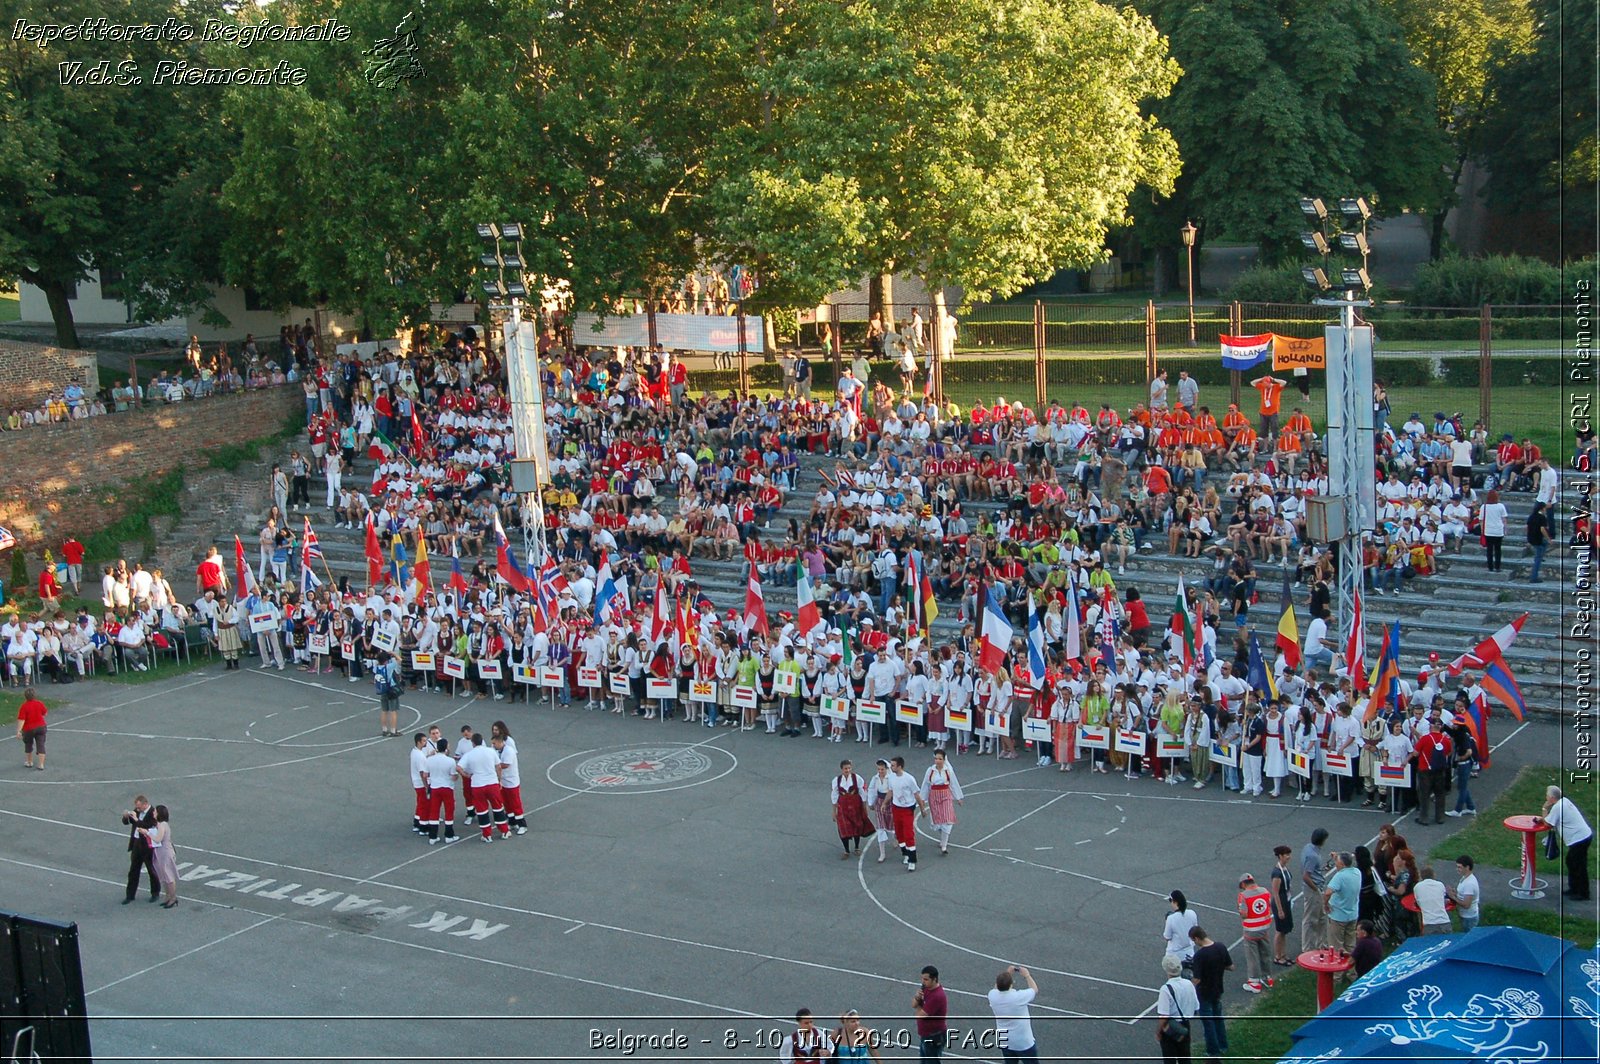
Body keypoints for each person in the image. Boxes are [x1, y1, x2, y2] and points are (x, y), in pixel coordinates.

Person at [1536, 785, 1593, 901]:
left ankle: (1583, 893)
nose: (1546, 797)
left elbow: (1548, 824)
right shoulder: (1564, 801)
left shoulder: (1557, 807)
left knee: (1577, 865)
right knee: (1573, 862)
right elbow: (1551, 819)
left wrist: (1544, 809)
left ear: (1552, 798)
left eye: (1547, 796)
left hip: (1579, 839)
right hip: (1584, 836)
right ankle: (1575, 888)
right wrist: (1543, 819)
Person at [1187, 925, 1232, 1064]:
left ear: (1196, 938)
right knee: (1218, 1019)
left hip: (1204, 992)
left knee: (1208, 1023)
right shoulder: (1220, 947)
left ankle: (1213, 1051)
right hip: (1218, 989)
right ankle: (1223, 1045)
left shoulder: (1200, 955)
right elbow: (1230, 966)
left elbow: (1197, 979)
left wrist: (1188, 985)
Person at [457, 732, 507, 842]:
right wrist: (499, 779)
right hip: (492, 783)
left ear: (473, 743)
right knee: (498, 807)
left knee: (482, 810)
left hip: (478, 785)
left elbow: (459, 767)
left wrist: (467, 775)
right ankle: (504, 831)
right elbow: (498, 766)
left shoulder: (469, 754)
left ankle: (487, 835)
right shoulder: (490, 751)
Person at [987, 964, 1039, 1060]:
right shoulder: (1018, 997)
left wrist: (1007, 973)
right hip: (1023, 1042)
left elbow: (995, 989)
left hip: (1004, 1040)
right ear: (1011, 984)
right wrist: (1027, 975)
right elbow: (1034, 989)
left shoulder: (992, 996)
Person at [919, 749, 965, 855]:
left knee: (948, 819)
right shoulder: (930, 771)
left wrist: (958, 797)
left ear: (944, 759)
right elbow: (925, 785)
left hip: (946, 796)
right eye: (936, 758)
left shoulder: (948, 770)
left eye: (940, 759)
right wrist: (922, 799)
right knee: (938, 821)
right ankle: (943, 837)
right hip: (934, 797)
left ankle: (944, 845)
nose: (937, 761)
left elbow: (953, 784)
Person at [1155, 954, 1198, 1064]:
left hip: (1171, 1027)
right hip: (1185, 1025)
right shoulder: (1189, 984)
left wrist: (1158, 1031)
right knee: (1185, 1057)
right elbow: (1195, 1008)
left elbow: (1164, 1016)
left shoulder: (1166, 989)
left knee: (1169, 1058)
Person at [1236, 873, 1274, 992]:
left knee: (1252, 956)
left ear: (1243, 884)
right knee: (1265, 952)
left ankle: (1254, 982)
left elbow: (1244, 914)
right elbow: (1268, 906)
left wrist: (1239, 910)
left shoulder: (1243, 896)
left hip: (1251, 930)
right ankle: (1267, 977)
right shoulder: (1265, 891)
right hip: (1264, 927)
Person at [1411, 719, 1453, 825]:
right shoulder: (1446, 740)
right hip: (1440, 770)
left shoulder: (1425, 739)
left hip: (1425, 770)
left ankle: (1424, 818)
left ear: (1431, 726)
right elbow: (1448, 752)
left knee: (1424, 794)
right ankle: (1440, 817)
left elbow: (1415, 753)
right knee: (1440, 794)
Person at [830, 760, 875, 860]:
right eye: (846, 768)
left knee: (857, 825)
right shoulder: (836, 780)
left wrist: (864, 807)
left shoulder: (857, 778)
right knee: (843, 828)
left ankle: (857, 847)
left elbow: (863, 793)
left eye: (849, 768)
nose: (848, 770)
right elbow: (834, 796)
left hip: (855, 805)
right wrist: (834, 812)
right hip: (843, 807)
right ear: (842, 769)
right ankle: (846, 850)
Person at [121, 795, 160, 904]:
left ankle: (155, 892)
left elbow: (148, 826)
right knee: (133, 870)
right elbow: (128, 822)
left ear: (145, 804)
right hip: (136, 844)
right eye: (136, 807)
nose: (137, 809)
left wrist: (137, 819)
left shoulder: (153, 813)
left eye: (139, 807)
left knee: (151, 870)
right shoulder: (137, 811)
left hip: (147, 846)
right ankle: (130, 895)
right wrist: (125, 817)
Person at [421, 738, 459, 845]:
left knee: (434, 811)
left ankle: (432, 836)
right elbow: (453, 776)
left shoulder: (429, 760)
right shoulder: (450, 761)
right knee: (449, 811)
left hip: (435, 788)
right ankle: (449, 835)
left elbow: (425, 774)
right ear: (446, 747)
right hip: (447, 788)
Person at [140, 805, 179, 908]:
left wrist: (147, 833)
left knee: (168, 876)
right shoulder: (160, 824)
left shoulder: (162, 825)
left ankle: (173, 897)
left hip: (165, 852)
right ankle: (168, 896)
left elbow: (158, 839)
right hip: (161, 852)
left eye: (155, 812)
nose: (153, 813)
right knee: (164, 875)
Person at [1322, 851, 1361, 953]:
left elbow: (1327, 893)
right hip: (1352, 914)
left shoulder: (1339, 876)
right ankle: (1351, 966)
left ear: (1342, 864)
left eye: (1337, 862)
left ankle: (1338, 968)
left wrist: (1325, 904)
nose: (1335, 864)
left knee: (1336, 946)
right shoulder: (1357, 872)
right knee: (1350, 944)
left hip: (1338, 915)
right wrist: (1336, 857)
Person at [1300, 828, 1330, 952]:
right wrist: (1316, 889)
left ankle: (1321, 943)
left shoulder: (1308, 848)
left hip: (1316, 885)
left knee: (1322, 917)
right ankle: (1307, 947)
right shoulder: (1313, 856)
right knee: (1310, 919)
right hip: (1313, 889)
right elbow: (1306, 876)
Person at [912, 965, 948, 1062]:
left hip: (934, 1036)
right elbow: (913, 1005)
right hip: (926, 1034)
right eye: (922, 979)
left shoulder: (937, 996)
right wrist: (917, 997)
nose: (923, 982)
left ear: (934, 979)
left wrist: (919, 1003)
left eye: (926, 979)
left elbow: (920, 1015)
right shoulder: (926, 988)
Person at [1269, 845, 1294, 965]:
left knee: (1284, 930)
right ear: (1280, 856)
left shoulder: (1284, 869)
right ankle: (1278, 956)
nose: (1289, 857)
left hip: (1286, 900)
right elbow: (1275, 892)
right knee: (1280, 930)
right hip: (1280, 902)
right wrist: (1279, 910)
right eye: (1286, 855)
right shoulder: (1277, 873)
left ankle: (1283, 954)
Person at [1163, 890, 1199, 968]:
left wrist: (1167, 922)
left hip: (1174, 955)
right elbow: (1195, 930)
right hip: (1189, 952)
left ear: (1175, 902)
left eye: (1170, 901)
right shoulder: (1192, 913)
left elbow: (1167, 937)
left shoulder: (1171, 918)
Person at [1412, 865, 1451, 934]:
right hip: (1444, 921)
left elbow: (1419, 904)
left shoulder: (1417, 887)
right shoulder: (1440, 885)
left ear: (1421, 876)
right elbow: (1442, 900)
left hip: (1429, 923)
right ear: (1433, 875)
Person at [16, 687, 47, 771]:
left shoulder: (24, 706)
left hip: (28, 729)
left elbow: (21, 719)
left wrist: (19, 731)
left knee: (28, 744)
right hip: (41, 726)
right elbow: (45, 712)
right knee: (41, 744)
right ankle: (41, 764)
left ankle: (29, 761)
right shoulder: (39, 703)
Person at [1449, 855, 1480, 932]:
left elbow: (1466, 905)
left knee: (1468, 938)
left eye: (1460, 867)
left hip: (1469, 917)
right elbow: (1463, 895)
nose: (1457, 869)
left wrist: (1453, 897)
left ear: (1467, 867)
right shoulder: (1465, 878)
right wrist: (1456, 894)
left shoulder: (1469, 884)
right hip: (1465, 916)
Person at [1480, 489, 1508, 572]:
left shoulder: (1484, 507)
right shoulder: (1501, 506)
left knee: (1489, 550)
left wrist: (1482, 530)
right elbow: (1504, 519)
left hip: (1488, 531)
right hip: (1498, 531)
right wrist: (1505, 529)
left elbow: (1481, 520)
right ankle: (1498, 566)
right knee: (1498, 549)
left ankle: (1490, 566)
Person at [375, 652, 401, 737]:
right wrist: (393, 653)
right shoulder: (388, 667)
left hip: (382, 690)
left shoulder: (377, 667)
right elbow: (400, 660)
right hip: (391, 690)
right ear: (386, 661)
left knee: (384, 710)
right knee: (393, 711)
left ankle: (384, 729)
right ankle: (393, 730)